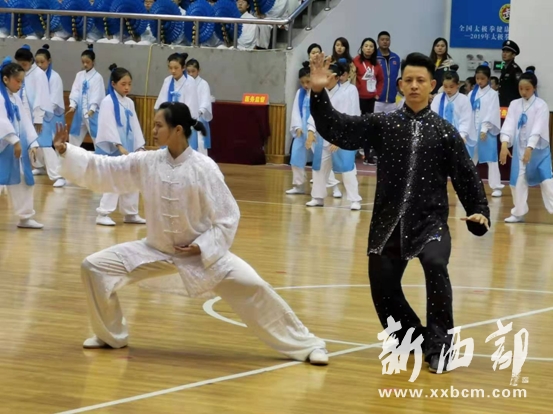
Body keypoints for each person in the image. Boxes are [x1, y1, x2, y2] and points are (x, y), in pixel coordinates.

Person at [52, 101, 329, 366]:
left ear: (177, 130)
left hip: (203, 256)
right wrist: (67, 151)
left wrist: (202, 246)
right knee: (94, 267)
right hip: (155, 250)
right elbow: (106, 168)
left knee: (255, 287)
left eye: (159, 125)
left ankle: (308, 346)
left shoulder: (204, 168)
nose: (153, 130)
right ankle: (110, 336)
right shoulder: (147, 161)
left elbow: (228, 216)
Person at [308, 51, 490, 373]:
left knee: (435, 264)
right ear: (401, 85)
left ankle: (440, 347)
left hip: (430, 221)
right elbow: (340, 128)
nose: (414, 85)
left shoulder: (445, 132)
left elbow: (466, 174)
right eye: (409, 80)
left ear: (432, 85)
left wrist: (479, 211)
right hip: (388, 221)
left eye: (421, 80)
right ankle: (413, 337)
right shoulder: (385, 123)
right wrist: (320, 92)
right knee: (381, 283)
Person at [93, 65, 147, 227]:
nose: (127, 87)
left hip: (128, 147)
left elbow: (134, 124)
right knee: (114, 180)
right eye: (123, 84)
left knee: (131, 179)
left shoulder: (129, 102)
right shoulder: (108, 101)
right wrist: (118, 145)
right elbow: (107, 124)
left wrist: (139, 145)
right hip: (115, 149)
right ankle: (103, 213)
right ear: (113, 84)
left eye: (129, 84)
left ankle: (130, 212)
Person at [500, 67, 553, 223]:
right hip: (519, 149)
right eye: (521, 88)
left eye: (527, 89)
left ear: (534, 88)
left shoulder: (541, 105)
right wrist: (504, 143)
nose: (523, 92)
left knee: (547, 181)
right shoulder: (515, 104)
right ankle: (518, 212)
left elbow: (538, 128)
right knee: (517, 181)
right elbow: (509, 124)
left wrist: (530, 148)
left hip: (538, 151)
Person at [0, 58, 43, 229]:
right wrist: (15, 141)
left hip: (14, 148)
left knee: (24, 179)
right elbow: (2, 121)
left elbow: (24, 120)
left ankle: (25, 217)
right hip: (6, 146)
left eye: (22, 81)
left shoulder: (15, 98)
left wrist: (32, 142)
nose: (20, 85)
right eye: (17, 81)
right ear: (5, 79)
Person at [468, 64, 504, 197]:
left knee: (491, 159)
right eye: (477, 78)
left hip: (486, 131)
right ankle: (467, 184)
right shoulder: (472, 93)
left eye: (482, 79)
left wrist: (484, 128)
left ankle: (496, 186)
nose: (479, 81)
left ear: (488, 79)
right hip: (473, 129)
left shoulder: (493, 94)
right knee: (470, 158)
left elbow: (492, 112)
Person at [33, 44, 67, 188]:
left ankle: (58, 175)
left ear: (49, 61)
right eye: (37, 62)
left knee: (47, 145)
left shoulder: (54, 77)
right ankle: (40, 166)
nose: (40, 65)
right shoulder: (34, 75)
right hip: (38, 114)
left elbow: (54, 100)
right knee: (37, 143)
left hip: (51, 116)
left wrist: (42, 113)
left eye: (42, 62)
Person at [67, 45, 105, 148]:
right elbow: (75, 90)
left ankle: (100, 154)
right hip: (80, 111)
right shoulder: (79, 75)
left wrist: (92, 108)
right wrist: (73, 105)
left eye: (87, 62)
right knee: (74, 135)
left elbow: (97, 94)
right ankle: (72, 154)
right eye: (83, 62)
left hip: (92, 113)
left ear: (93, 61)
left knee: (96, 136)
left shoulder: (98, 77)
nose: (85, 64)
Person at [430, 69, 472, 147]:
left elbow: (466, 119)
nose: (448, 90)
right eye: (445, 87)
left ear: (458, 84)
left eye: (451, 87)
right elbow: (433, 117)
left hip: (458, 135)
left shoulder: (464, 99)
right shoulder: (438, 98)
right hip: (440, 136)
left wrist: (462, 135)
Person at [186, 59, 213, 156]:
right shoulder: (185, 83)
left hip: (199, 118)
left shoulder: (203, 84)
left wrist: (198, 112)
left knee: (200, 143)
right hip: (187, 119)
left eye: (193, 71)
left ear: (198, 70)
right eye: (188, 71)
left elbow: (205, 101)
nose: (191, 74)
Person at [376, 31, 401, 114]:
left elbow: (396, 77)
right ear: (378, 41)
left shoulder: (395, 58)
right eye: (382, 39)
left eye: (387, 40)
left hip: (392, 100)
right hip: (377, 100)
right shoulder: (374, 57)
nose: (385, 42)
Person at [499, 40, 522, 108]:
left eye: (507, 52)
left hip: (512, 104)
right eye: (503, 51)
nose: (504, 54)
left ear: (513, 55)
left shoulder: (516, 69)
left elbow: (518, 88)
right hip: (503, 103)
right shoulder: (504, 68)